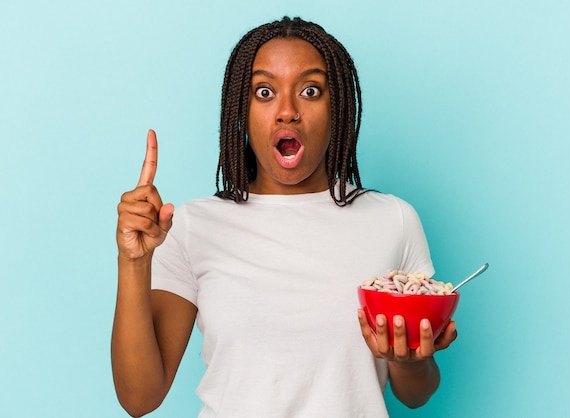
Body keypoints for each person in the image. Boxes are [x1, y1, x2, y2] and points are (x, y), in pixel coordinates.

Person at [111, 16, 457, 418]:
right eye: (264, 91)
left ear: (337, 108)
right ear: (242, 110)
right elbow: (139, 398)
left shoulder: (393, 221)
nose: (287, 111)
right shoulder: (192, 226)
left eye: (311, 90)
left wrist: (409, 360)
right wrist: (134, 262)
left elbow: (416, 394)